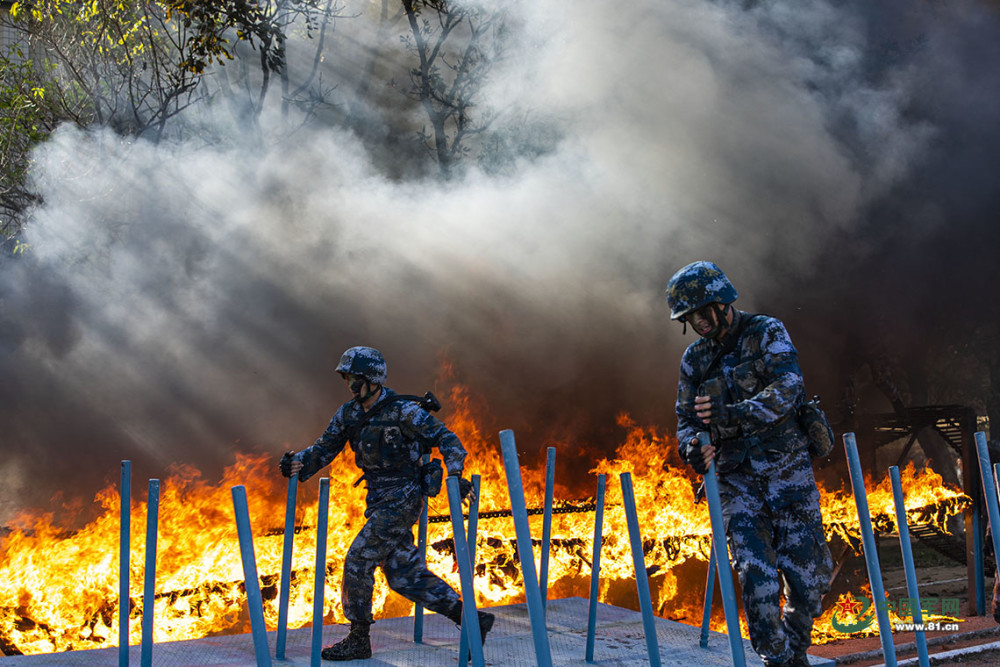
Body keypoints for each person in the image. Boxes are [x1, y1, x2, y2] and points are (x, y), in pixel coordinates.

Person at [666, 261, 833, 667]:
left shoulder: (766, 332)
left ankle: (793, 650)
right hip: (736, 481)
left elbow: (790, 387)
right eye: (691, 317)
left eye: (705, 312)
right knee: (757, 582)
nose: (700, 322)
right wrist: (692, 447)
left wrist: (734, 414)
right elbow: (686, 420)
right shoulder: (694, 360)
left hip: (787, 471)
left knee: (811, 578)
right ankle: (778, 659)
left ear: (724, 303)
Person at [279, 345, 494, 661]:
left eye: (353, 378)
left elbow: (447, 439)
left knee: (359, 558)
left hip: (404, 497)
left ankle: (358, 639)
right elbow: (323, 450)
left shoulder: (403, 411)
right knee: (401, 573)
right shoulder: (348, 414)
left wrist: (455, 474)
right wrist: (297, 463)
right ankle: (470, 618)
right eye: (347, 378)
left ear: (370, 379)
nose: (349, 384)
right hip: (378, 499)